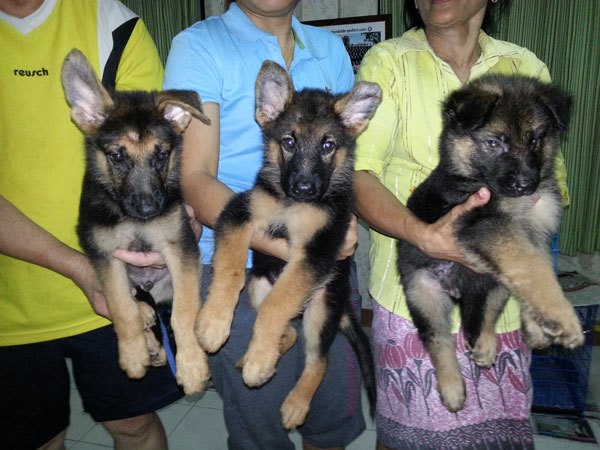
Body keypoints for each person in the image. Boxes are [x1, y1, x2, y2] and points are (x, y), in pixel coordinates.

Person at [352, 0, 570, 449]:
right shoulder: (390, 61)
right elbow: (358, 175)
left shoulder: (524, 65)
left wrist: (533, 284)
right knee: (412, 437)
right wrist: (424, 236)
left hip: (503, 297)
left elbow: (551, 182)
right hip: (413, 285)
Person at [161, 1, 366, 448]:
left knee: (331, 422)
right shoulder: (199, 44)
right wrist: (297, 251)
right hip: (235, 258)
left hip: (323, 259)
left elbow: (344, 160)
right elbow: (193, 178)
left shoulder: (329, 47)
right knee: (261, 431)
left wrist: (336, 229)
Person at [0, 1, 185, 448]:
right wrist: (82, 269)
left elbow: (157, 149)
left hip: (123, 282)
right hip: (12, 302)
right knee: (36, 439)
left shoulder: (110, 20)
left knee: (135, 426)